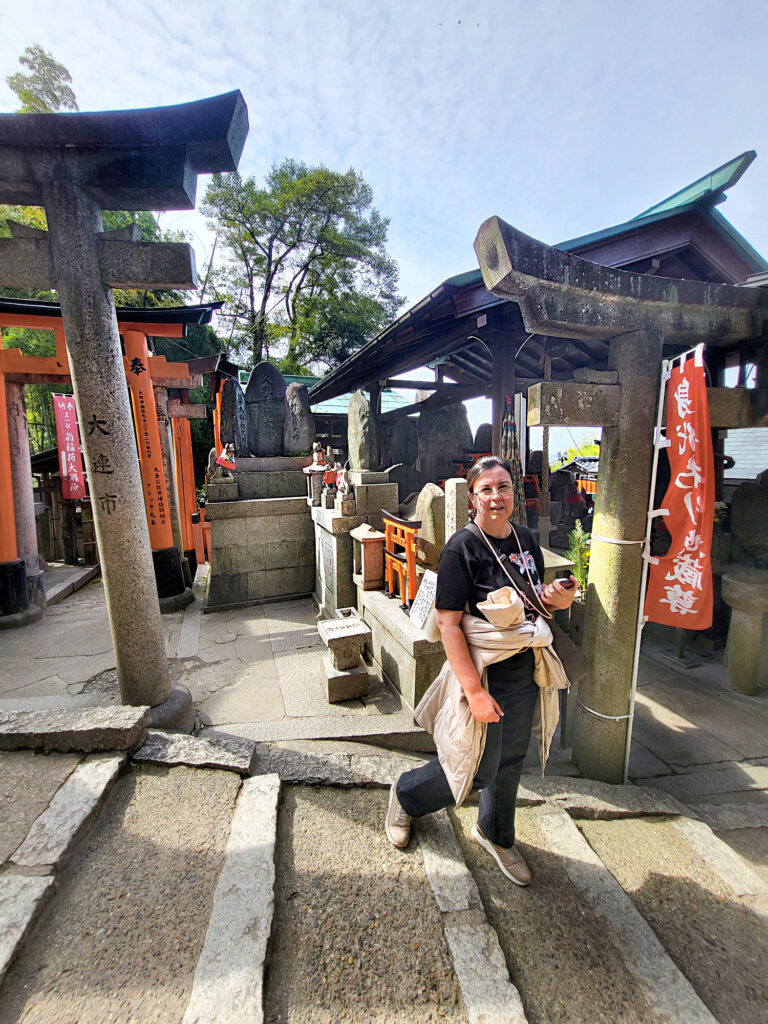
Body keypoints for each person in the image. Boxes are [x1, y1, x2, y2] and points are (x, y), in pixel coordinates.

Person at [385, 455, 576, 885]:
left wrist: (554, 598)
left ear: (514, 493)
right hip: (484, 671)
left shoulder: (526, 539)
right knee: (477, 764)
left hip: (525, 666)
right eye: (485, 489)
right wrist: (474, 692)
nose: (496, 496)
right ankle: (407, 794)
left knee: (511, 759)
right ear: (472, 498)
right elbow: (449, 625)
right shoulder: (461, 549)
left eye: (503, 487)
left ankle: (496, 833)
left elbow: (530, 605)